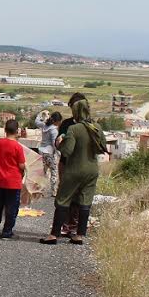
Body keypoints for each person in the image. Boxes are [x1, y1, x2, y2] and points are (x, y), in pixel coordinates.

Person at [41, 98, 105, 245]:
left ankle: (54, 235)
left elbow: (67, 151)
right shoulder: (96, 127)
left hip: (74, 169)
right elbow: (102, 148)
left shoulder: (74, 129)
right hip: (92, 169)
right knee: (85, 202)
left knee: (63, 200)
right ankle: (79, 235)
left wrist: (59, 142)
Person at [0, 118, 28, 239]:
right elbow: (21, 165)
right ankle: (7, 231)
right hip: (14, 182)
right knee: (11, 208)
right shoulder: (17, 147)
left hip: (0, 181)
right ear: (17, 131)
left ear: (5, 130)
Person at [57, 93, 87, 236]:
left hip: (81, 165)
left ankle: (75, 226)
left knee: (80, 197)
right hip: (66, 164)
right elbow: (59, 145)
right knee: (64, 195)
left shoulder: (90, 125)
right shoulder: (66, 124)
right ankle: (64, 224)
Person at [39, 112, 62, 197]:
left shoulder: (44, 126)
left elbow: (36, 122)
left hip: (42, 151)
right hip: (50, 153)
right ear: (57, 121)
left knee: (43, 172)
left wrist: (41, 113)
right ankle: (54, 191)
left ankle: (41, 190)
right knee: (54, 172)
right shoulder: (54, 130)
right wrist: (59, 154)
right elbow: (54, 144)